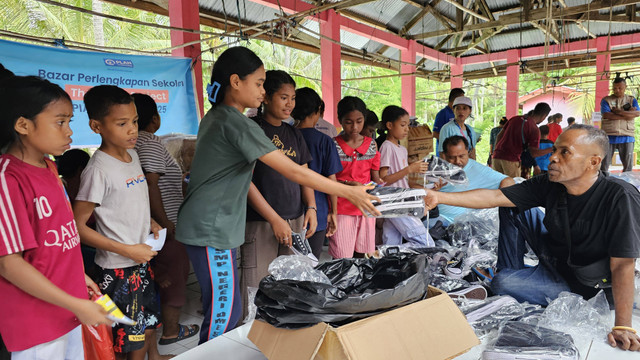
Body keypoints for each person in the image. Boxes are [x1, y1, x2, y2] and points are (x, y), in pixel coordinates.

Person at [175, 47, 379, 344]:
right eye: (258, 83)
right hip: (211, 229)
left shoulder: (220, 118)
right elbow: (293, 171)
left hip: (216, 228)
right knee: (223, 316)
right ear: (235, 82)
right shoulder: (234, 122)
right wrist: (349, 191)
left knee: (227, 312)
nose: (262, 90)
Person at [425, 125, 640, 352]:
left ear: (593, 162)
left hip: (583, 284)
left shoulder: (620, 197)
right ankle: (511, 273)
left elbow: (623, 264)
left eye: (564, 152)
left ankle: (508, 284)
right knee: (509, 205)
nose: (553, 158)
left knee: (501, 284)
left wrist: (624, 326)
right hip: (556, 257)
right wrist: (438, 196)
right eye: (555, 150)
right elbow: (497, 195)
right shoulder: (551, 183)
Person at [0, 76, 110, 357]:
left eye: (70, 121)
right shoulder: (8, 179)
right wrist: (75, 303)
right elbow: (8, 263)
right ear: (23, 125)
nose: (69, 132)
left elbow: (57, 238)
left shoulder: (49, 168)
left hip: (68, 309)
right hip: (37, 322)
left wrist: (77, 275)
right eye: (60, 122)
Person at [74, 85, 170, 360]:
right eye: (122, 123)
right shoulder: (98, 170)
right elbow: (78, 227)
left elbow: (129, 202)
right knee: (127, 340)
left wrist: (150, 221)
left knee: (146, 330)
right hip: (117, 271)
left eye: (135, 121)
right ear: (96, 126)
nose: (132, 130)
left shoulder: (134, 156)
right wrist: (127, 250)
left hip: (140, 263)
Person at [241, 70, 316, 319]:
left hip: (294, 220)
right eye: (283, 97)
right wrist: (274, 219)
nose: (290, 104)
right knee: (256, 286)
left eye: (293, 98)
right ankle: (251, 337)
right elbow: (246, 181)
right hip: (261, 222)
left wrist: (311, 208)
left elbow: (304, 174)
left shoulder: (294, 133)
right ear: (265, 97)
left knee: (290, 284)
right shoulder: (252, 129)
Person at [132, 94, 197, 346]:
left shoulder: (132, 146)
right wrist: (165, 222)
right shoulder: (149, 142)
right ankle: (171, 331)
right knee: (175, 274)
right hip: (163, 226)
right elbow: (151, 183)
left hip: (148, 224)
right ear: (155, 119)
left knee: (160, 275)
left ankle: (154, 330)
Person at [331, 96, 382, 259]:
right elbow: (327, 179)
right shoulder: (333, 145)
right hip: (341, 208)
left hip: (366, 208)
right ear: (339, 120)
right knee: (341, 257)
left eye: (359, 121)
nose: (354, 127)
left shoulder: (372, 145)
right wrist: (348, 185)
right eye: (348, 122)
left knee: (363, 256)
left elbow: (376, 178)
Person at [294, 87, 342, 259]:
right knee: (311, 263)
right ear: (317, 112)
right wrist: (333, 212)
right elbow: (332, 181)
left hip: (289, 210)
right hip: (318, 210)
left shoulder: (286, 136)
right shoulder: (325, 141)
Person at [377, 105, 433, 246]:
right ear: (389, 125)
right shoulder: (387, 146)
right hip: (394, 201)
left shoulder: (401, 149)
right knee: (426, 243)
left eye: (408, 125)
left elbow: (402, 178)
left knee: (391, 242)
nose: (407, 129)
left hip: (400, 199)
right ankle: (387, 253)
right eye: (403, 125)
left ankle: (387, 258)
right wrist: (409, 169)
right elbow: (383, 180)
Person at [437, 135, 514, 224]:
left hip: (457, 224)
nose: (457, 161)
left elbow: (508, 181)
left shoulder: (478, 170)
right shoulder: (438, 168)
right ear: (444, 155)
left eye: (462, 156)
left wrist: (500, 204)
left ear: (468, 152)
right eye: (452, 157)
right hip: (435, 216)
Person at [492, 102, 553, 177]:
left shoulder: (514, 119)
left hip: (496, 157)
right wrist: (552, 149)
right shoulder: (534, 129)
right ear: (544, 116)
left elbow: (499, 136)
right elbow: (534, 153)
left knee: (496, 184)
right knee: (513, 186)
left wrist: (495, 151)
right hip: (511, 160)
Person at [600, 77, 640, 172]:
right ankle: (604, 185)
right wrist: (628, 115)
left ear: (625, 87)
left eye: (620, 88)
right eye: (614, 88)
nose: (617, 90)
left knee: (628, 168)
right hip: (609, 136)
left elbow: (637, 113)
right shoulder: (606, 100)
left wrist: (617, 111)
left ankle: (627, 186)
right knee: (604, 166)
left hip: (627, 136)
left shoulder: (631, 100)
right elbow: (607, 115)